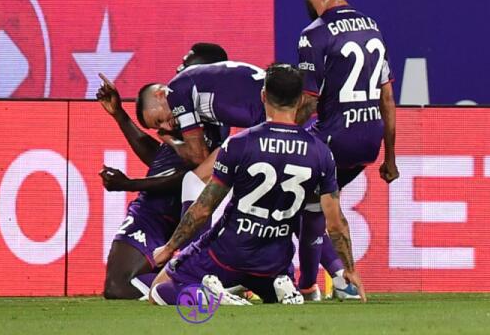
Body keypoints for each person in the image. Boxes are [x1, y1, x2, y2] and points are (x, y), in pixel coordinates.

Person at [149, 64, 366, 305]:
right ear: (300, 100)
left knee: (158, 290)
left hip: (228, 253)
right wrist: (349, 269)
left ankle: (208, 294)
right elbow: (335, 222)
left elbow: (203, 209)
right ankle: (286, 284)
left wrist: (168, 248)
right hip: (274, 261)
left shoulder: (238, 144)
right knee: (305, 219)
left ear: (263, 95)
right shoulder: (320, 152)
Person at [295, 0, 399, 300]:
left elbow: (309, 102)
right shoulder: (372, 27)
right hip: (368, 143)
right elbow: (387, 98)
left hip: (333, 139)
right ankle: (320, 285)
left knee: (279, 184)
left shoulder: (314, 35)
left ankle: (295, 280)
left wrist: (278, 132)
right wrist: (390, 157)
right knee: (311, 204)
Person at [98, 43, 230, 299]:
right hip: (152, 215)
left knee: (120, 287)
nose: (166, 127)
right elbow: (160, 159)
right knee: (116, 286)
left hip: (186, 215)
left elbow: (190, 176)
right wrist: (119, 115)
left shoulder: (215, 112)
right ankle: (195, 287)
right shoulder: (186, 108)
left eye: (159, 120)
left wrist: (129, 184)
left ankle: (197, 287)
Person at [135, 60, 267, 166]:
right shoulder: (193, 82)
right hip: (273, 104)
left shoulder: (175, 92)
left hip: (271, 113)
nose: (167, 128)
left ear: (159, 94)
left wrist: (171, 140)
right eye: (159, 127)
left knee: (196, 178)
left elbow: (199, 157)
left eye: (159, 120)